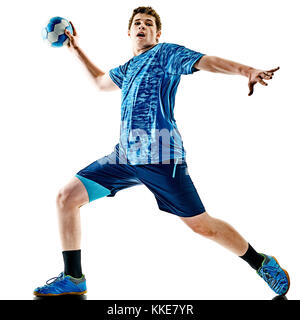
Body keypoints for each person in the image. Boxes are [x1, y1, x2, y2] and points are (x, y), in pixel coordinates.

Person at [34, 6, 289, 297]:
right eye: (138, 23)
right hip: (124, 158)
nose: (143, 27)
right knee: (66, 197)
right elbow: (99, 81)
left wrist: (246, 70)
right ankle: (73, 277)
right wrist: (75, 49)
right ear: (129, 32)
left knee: (203, 227)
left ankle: (261, 263)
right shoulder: (128, 69)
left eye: (149, 24)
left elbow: (207, 61)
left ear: (157, 34)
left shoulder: (165, 54)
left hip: (162, 158)